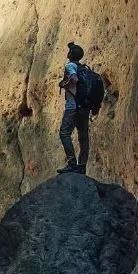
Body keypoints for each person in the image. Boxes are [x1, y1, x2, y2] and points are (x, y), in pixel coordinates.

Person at [58, 41, 90, 174]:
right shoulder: (84, 68)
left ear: (70, 54)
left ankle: (72, 163)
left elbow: (75, 79)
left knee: (64, 133)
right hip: (84, 107)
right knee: (83, 136)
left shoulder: (70, 65)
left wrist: (64, 84)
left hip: (73, 107)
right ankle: (82, 166)